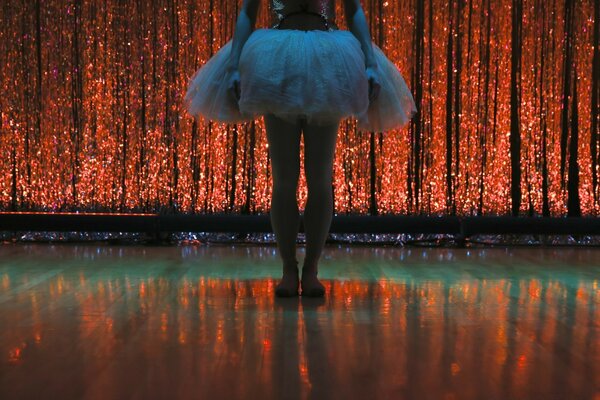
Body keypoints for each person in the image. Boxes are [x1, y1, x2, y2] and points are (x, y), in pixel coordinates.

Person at [185, 0, 417, 297]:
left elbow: (354, 10)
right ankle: (288, 268)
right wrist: (234, 64)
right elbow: (247, 12)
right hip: (277, 59)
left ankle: (311, 269)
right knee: (285, 177)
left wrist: (370, 62)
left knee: (319, 176)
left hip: (327, 57)